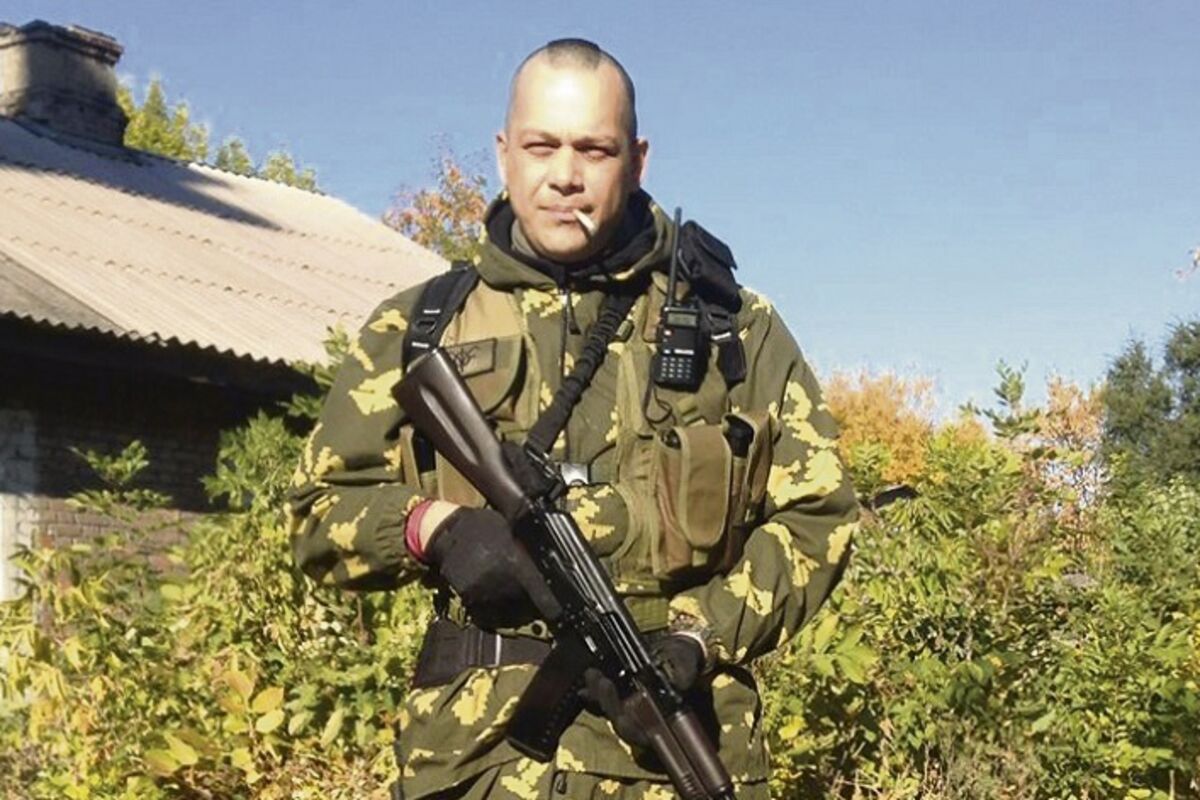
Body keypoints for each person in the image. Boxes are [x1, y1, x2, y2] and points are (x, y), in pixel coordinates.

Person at [288, 38, 859, 800]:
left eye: (594, 149)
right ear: (503, 154)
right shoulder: (420, 328)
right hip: (473, 765)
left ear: (637, 160)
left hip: (669, 752)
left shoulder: (735, 333)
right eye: (541, 146)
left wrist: (700, 634)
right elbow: (317, 511)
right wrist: (434, 529)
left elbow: (821, 516)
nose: (565, 175)